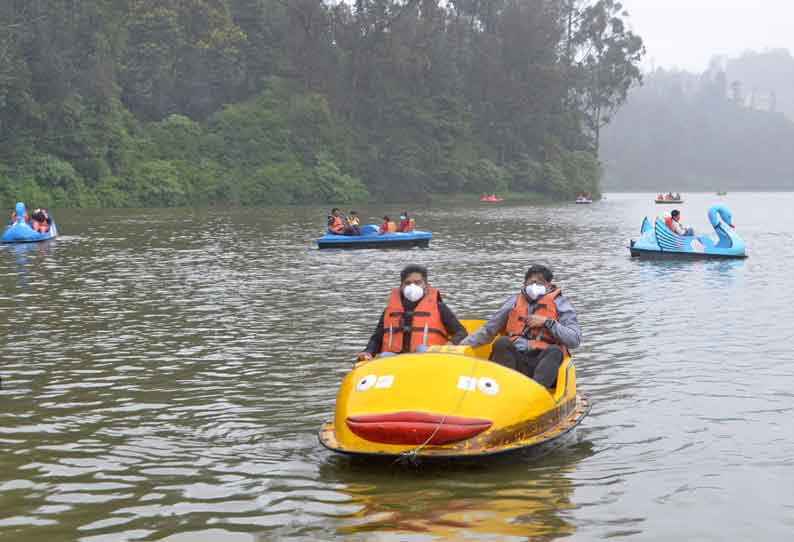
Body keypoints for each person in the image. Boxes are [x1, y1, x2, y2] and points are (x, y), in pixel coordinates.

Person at [460, 264, 581, 388]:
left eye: (539, 283)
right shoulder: (513, 302)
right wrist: (460, 348)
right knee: (502, 343)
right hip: (516, 361)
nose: (534, 286)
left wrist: (548, 322)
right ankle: (505, 389)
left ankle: (536, 393)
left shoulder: (560, 303)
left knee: (555, 351)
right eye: (531, 282)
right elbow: (489, 330)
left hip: (543, 363)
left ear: (548, 286)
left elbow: (574, 340)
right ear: (524, 284)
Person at [357, 265, 468, 360]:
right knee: (384, 356)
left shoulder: (439, 307)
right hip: (397, 359)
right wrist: (368, 351)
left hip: (427, 358)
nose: (412, 286)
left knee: (421, 349)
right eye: (408, 283)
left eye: (417, 282)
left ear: (425, 284)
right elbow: (377, 338)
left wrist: (450, 344)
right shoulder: (389, 310)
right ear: (401, 286)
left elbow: (461, 332)